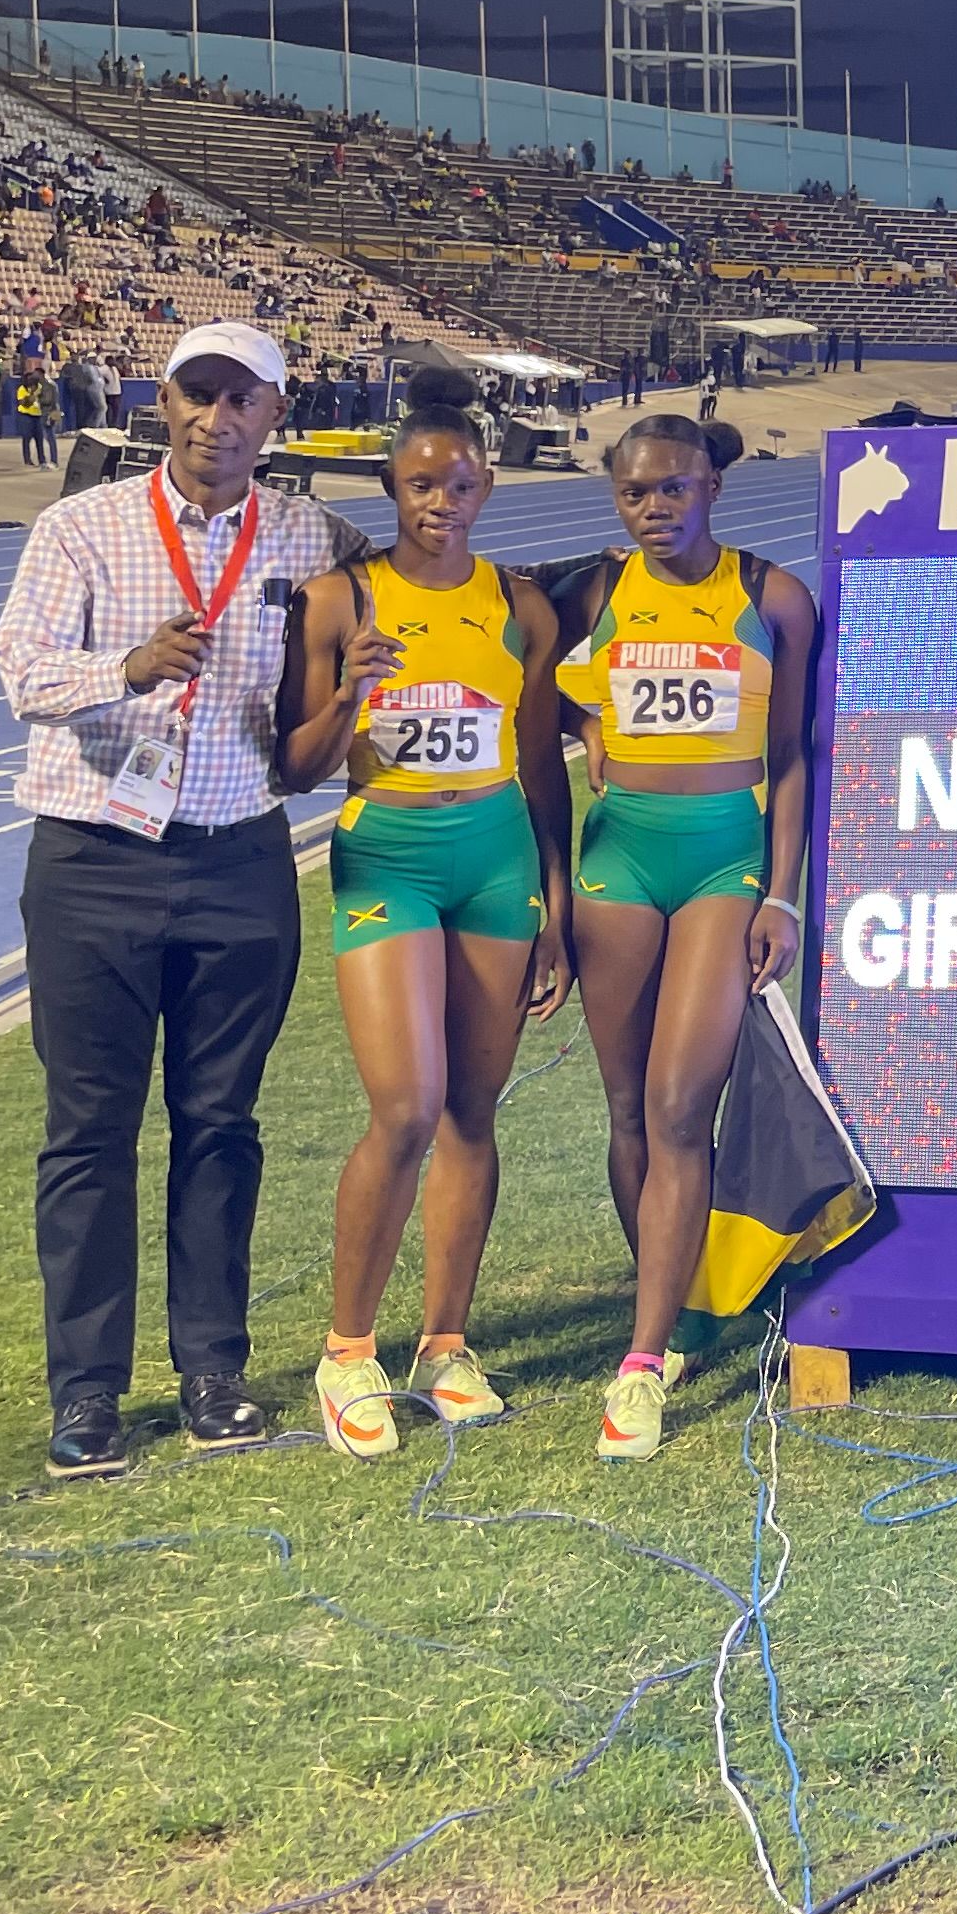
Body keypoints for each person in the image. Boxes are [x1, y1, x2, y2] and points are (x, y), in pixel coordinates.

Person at [0, 321, 349, 1478]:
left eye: (243, 401)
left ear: (274, 420)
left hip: (242, 859)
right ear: (163, 400)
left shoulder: (312, 537)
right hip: (95, 860)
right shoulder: (80, 528)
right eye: (199, 394)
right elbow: (22, 672)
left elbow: (408, 604)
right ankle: (87, 1395)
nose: (218, 419)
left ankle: (212, 1371)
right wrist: (124, 670)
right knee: (87, 1131)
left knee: (221, 1128)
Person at [275, 393, 574, 1458]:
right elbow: (292, 769)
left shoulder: (522, 608)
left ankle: (444, 1343)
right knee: (404, 1109)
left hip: (495, 858)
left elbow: (543, 763)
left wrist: (558, 906)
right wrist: (351, 697)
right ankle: (347, 1352)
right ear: (391, 491)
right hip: (387, 857)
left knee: (474, 1114)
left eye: (459, 484)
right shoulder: (336, 600)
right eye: (419, 485)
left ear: (486, 488)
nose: (440, 502)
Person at [552, 415, 815, 1461]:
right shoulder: (595, 592)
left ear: (712, 486)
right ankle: (677, 1312)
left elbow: (790, 755)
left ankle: (640, 1363)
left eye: (671, 490)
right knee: (626, 1109)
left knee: (676, 1105)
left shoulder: (770, 597)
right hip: (615, 859)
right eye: (632, 495)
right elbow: (543, 688)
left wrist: (781, 896)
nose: (653, 509)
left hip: (721, 861)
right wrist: (583, 727)